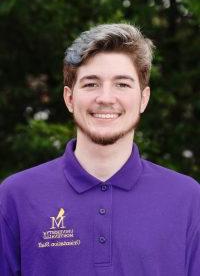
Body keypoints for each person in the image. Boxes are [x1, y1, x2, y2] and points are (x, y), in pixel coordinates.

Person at [0, 23, 199, 276]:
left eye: (122, 84)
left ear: (144, 98)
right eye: (91, 84)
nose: (105, 97)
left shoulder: (188, 199)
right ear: (69, 98)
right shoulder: (16, 196)